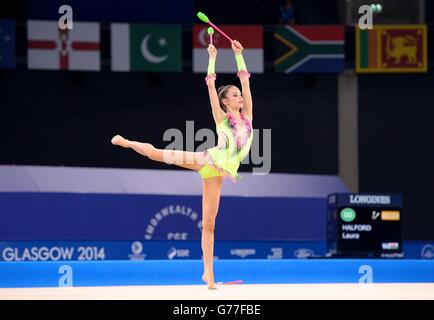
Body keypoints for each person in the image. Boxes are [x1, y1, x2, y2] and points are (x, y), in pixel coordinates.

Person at [111, 39, 253, 289]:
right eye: (234, 96)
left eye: (240, 95)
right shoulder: (221, 118)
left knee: (209, 224)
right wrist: (212, 58)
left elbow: (245, 79)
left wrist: (238, 55)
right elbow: (210, 86)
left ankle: (207, 274)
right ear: (225, 103)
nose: (240, 97)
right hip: (208, 160)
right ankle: (128, 142)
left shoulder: (247, 116)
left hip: (219, 174)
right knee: (159, 154)